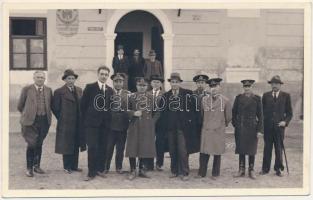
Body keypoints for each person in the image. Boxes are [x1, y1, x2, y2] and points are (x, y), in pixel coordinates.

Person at [80, 66, 114, 181]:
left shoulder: (110, 90)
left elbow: (111, 107)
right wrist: (87, 120)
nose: (104, 76)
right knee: (93, 147)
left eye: (106, 74)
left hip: (105, 124)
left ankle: (100, 169)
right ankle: (91, 172)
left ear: (108, 76)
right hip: (92, 124)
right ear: (98, 74)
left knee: (103, 147)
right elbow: (83, 106)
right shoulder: (90, 88)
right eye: (102, 74)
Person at [17, 71, 53, 177]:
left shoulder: (48, 90)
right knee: (32, 144)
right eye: (38, 77)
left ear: (44, 79)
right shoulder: (27, 89)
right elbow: (20, 105)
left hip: (44, 121)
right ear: (34, 78)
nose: (40, 79)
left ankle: (37, 166)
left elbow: (50, 104)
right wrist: (29, 114)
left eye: (42, 77)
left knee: (39, 143)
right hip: (30, 122)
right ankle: (29, 168)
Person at [162, 72, 197, 181]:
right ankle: (174, 171)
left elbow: (193, 110)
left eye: (176, 82)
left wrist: (190, 122)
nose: (174, 84)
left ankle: (184, 172)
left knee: (182, 150)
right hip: (171, 128)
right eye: (172, 82)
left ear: (179, 82)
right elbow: (163, 113)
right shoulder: (166, 96)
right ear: (170, 83)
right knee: (172, 150)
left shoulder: (188, 94)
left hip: (183, 127)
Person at [195, 78, 232, 180]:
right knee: (204, 152)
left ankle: (215, 173)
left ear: (219, 87)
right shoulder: (204, 100)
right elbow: (201, 115)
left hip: (218, 130)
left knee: (217, 152)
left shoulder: (225, 101)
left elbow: (228, 117)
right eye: (211, 87)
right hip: (206, 129)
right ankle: (202, 172)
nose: (213, 89)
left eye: (215, 86)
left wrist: (221, 125)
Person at [52, 69, 86, 174]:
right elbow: (55, 108)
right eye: (69, 78)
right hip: (66, 123)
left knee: (76, 144)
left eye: (73, 78)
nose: (71, 80)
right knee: (66, 145)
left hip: (78, 123)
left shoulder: (79, 90)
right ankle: (67, 166)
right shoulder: (59, 92)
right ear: (65, 80)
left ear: (75, 79)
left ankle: (74, 166)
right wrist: (62, 118)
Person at [125, 77, 159, 180]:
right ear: (136, 86)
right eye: (140, 85)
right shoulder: (131, 97)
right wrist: (133, 113)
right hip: (135, 124)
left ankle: (142, 169)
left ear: (147, 86)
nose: (142, 87)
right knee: (132, 146)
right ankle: (132, 170)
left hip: (147, 126)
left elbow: (157, 112)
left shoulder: (151, 97)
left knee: (144, 147)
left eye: (144, 85)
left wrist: (152, 122)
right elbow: (125, 110)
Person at [260, 75, 293, 177]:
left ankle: (278, 168)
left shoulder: (286, 96)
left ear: (280, 85)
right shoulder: (265, 96)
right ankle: (265, 169)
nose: (274, 85)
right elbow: (262, 112)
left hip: (279, 128)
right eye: (272, 83)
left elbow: (289, 113)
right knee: (267, 148)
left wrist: (285, 122)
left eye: (276, 83)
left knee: (279, 148)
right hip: (268, 127)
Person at [232, 79, 263, 179]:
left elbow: (261, 116)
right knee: (241, 149)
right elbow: (234, 113)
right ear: (243, 87)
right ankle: (241, 169)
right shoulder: (238, 98)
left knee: (251, 149)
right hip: (241, 128)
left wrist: (260, 130)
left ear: (251, 87)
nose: (247, 88)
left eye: (248, 86)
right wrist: (236, 124)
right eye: (245, 87)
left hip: (252, 128)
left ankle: (251, 169)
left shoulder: (257, 99)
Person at [104, 73, 130, 174]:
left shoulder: (128, 94)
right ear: (113, 82)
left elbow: (130, 109)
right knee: (108, 147)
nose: (118, 83)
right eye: (116, 81)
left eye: (120, 81)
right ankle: (106, 167)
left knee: (120, 148)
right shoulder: (108, 92)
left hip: (123, 125)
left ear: (123, 82)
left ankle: (119, 167)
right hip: (110, 125)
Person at [145, 75, 167, 171]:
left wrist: (154, 121)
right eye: (154, 82)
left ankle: (159, 163)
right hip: (148, 121)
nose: (156, 84)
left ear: (161, 83)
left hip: (161, 122)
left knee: (160, 143)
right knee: (149, 142)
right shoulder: (147, 93)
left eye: (158, 82)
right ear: (151, 83)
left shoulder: (165, 94)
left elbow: (163, 110)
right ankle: (149, 164)